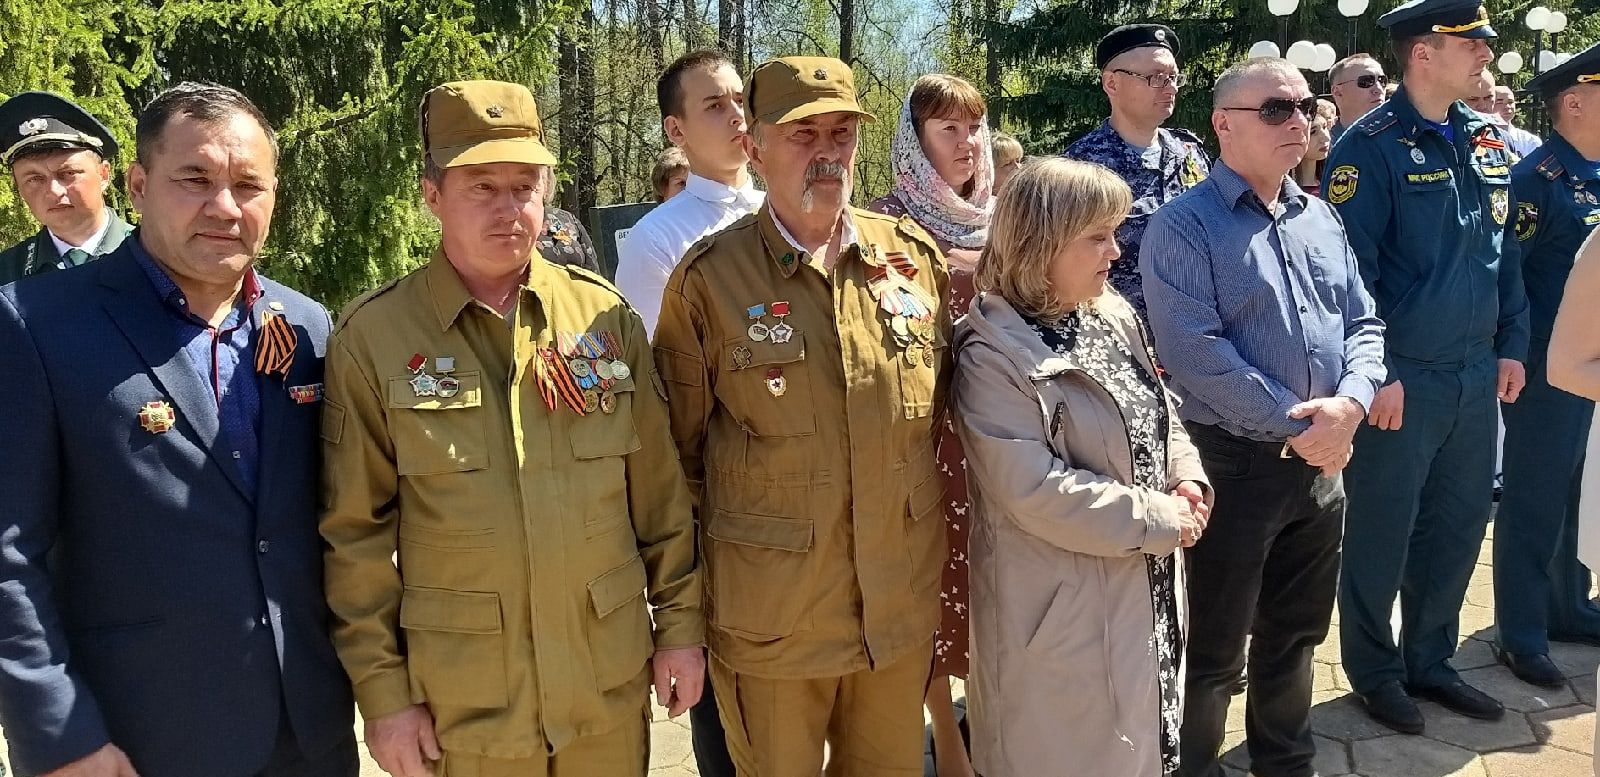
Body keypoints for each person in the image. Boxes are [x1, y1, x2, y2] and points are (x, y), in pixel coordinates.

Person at [319, 80, 705, 777]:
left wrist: (679, 629)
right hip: (466, 712)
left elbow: (661, 499)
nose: (510, 208)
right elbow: (355, 538)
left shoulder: (603, 320)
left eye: (525, 186)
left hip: (603, 693)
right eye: (482, 187)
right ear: (432, 195)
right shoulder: (373, 338)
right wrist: (383, 696)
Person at [0, 81, 358, 777]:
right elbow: (8, 553)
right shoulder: (35, 325)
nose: (224, 207)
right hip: (136, 742)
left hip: (309, 735)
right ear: (137, 183)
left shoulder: (307, 326)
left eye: (248, 184)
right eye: (194, 179)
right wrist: (60, 735)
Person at [653, 56, 950, 777]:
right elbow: (677, 460)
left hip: (893, 615)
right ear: (754, 144)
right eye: (802, 133)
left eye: (842, 133)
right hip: (773, 623)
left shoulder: (912, 261)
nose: (827, 151)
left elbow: (933, 425)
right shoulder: (708, 282)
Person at [1143, 58, 1386, 777]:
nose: (1300, 120)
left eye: (1305, 105)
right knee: (1215, 651)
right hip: (1235, 467)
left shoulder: (1320, 216)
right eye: (1277, 108)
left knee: (1298, 635)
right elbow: (1195, 354)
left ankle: (1286, 761)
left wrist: (1352, 403)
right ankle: (1192, 767)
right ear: (1224, 124)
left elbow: (1364, 323)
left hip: (1322, 466)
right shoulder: (1183, 226)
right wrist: (1308, 425)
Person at [954, 156, 1209, 777]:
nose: (1116, 252)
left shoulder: (1109, 312)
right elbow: (1033, 488)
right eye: (1097, 236)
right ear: (1040, 244)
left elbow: (1158, 408)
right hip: (1058, 614)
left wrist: (1186, 474)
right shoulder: (990, 353)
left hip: (1140, 591)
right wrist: (1159, 515)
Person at [1323, 0, 1529, 733]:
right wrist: (1376, 372)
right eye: (1470, 42)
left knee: (1459, 522)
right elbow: (1352, 276)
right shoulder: (1367, 147)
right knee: (1384, 528)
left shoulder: (1488, 139)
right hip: (1404, 377)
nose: (1484, 53)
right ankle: (1376, 671)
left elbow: (1502, 256)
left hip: (1476, 373)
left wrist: (1513, 341)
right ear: (1422, 53)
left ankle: (1431, 659)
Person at [867, 71, 994, 777]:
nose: (968, 142)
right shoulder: (884, 225)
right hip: (919, 440)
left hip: (999, 439)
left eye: (974, 126)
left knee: (992, 586)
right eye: (949, 129)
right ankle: (945, 739)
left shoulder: (1008, 217)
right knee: (929, 590)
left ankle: (992, 723)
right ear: (915, 145)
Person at [1494, 42, 1600, 689]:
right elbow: (1511, 278)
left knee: (1582, 491)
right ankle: (1521, 631)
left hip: (1590, 368)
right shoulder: (1536, 179)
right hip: (1544, 369)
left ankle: (1570, 603)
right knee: (1535, 499)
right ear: (1575, 101)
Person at [1062, 23, 1210, 319]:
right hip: (1127, 338)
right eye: (1155, 77)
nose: (1170, 87)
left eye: (1173, 77)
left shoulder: (1190, 151)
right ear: (1112, 84)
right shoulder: (1079, 167)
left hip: (1200, 331)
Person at [617, 49, 762, 335]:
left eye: (739, 100)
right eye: (715, 106)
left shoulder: (787, 212)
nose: (737, 116)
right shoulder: (655, 239)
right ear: (676, 130)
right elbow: (651, 359)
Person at [0, 91, 133, 284]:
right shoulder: (8, 274)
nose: (54, 190)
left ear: (103, 175)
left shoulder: (155, 258)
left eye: (68, 174)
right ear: (19, 187)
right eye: (35, 179)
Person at [1467, 71, 1541, 161]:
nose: (1507, 106)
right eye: (1473, 99)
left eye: (1510, 102)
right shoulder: (1458, 135)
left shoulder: (1520, 140)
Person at [1328, 54, 1389, 144]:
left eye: (1382, 80)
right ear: (1337, 92)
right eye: (1366, 81)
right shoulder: (1322, 149)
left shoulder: (1402, 139)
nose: (1379, 89)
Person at [1293, 98, 1337, 195]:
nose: (1326, 138)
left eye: (1325, 127)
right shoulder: (1284, 192)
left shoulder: (1336, 182)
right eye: (1313, 132)